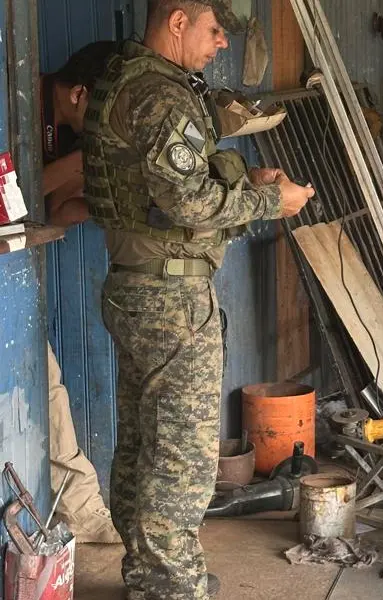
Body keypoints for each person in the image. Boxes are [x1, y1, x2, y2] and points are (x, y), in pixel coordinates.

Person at [82, 1, 315, 598]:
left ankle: (152, 572)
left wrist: (243, 182)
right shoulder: (159, 97)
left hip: (142, 286)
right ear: (178, 21)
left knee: (143, 438)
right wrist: (271, 203)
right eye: (213, 31)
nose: (220, 46)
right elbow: (186, 205)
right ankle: (171, 586)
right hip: (169, 296)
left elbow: (168, 190)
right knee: (180, 457)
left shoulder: (129, 81)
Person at [42, 40, 124, 544]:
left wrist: (100, 204)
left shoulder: (63, 128)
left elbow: (50, 211)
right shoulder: (18, 103)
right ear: (77, 94)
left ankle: (83, 510)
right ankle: (83, 512)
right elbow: (19, 195)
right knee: (43, 384)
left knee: (45, 385)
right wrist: (82, 162)